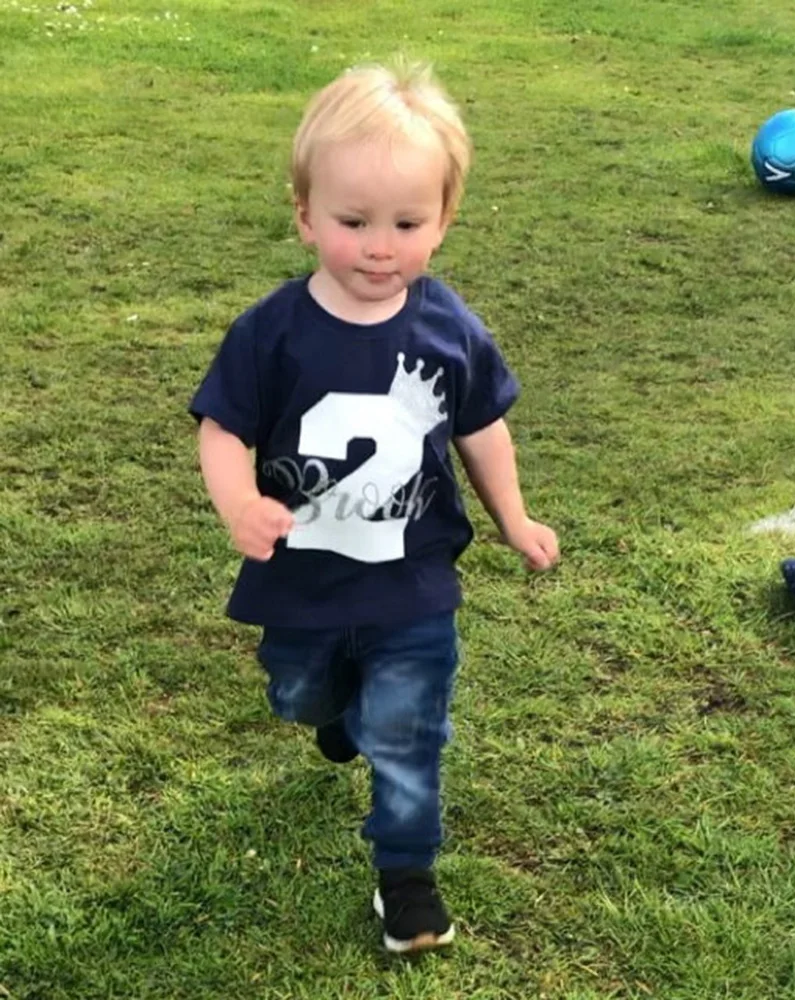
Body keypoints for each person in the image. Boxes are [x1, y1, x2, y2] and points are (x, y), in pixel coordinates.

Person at [188, 60, 559, 953]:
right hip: (302, 584)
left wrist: (512, 517)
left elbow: (483, 430)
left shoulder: (449, 328)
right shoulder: (272, 330)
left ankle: (408, 880)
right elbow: (221, 426)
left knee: (409, 732)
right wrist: (238, 499)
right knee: (299, 694)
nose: (380, 246)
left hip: (411, 585)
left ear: (445, 221)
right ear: (306, 215)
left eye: (407, 223)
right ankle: (331, 718)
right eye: (353, 223)